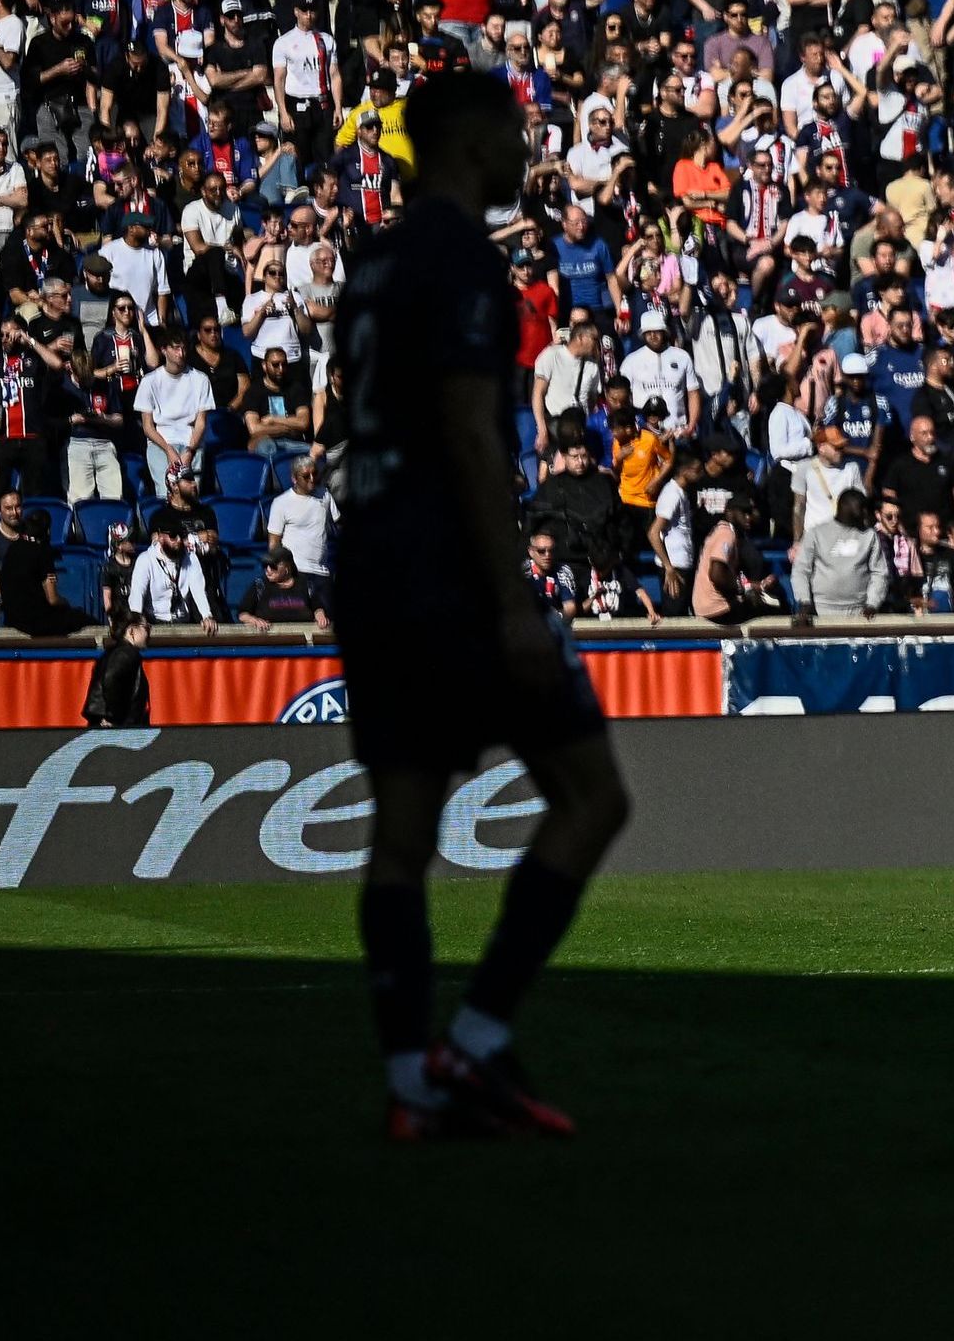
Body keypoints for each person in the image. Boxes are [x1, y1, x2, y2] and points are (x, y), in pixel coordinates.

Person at [325, 67, 632, 1141]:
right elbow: (466, 432)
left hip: (371, 558)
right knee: (591, 795)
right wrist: (511, 600)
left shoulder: (372, 262)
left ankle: (413, 1082)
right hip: (447, 567)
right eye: (509, 128)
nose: (524, 145)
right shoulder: (462, 259)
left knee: (402, 831)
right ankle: (479, 1036)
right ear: (464, 142)